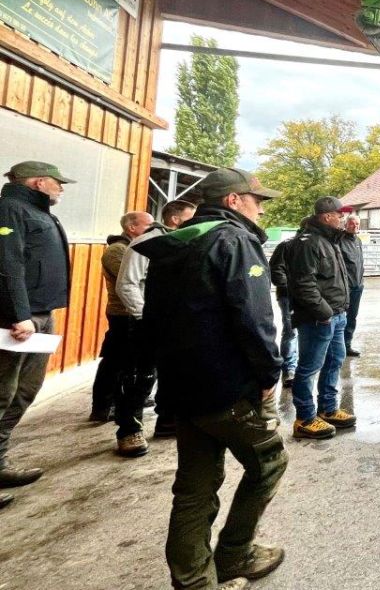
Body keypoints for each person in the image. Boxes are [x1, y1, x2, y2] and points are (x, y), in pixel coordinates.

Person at [134, 168, 286, 590]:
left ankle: (193, 580)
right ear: (233, 201)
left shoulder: (174, 244)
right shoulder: (233, 240)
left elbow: (154, 318)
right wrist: (268, 371)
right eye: (257, 200)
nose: (261, 208)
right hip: (227, 385)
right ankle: (236, 553)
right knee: (269, 462)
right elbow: (253, 317)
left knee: (194, 486)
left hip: (183, 386)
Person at [0, 161, 73, 511]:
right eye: (58, 184)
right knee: (3, 392)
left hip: (40, 315)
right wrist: (20, 314)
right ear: (40, 181)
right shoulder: (10, 208)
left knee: (26, 390)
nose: (61, 189)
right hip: (20, 321)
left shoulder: (35, 210)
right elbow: (8, 263)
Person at [112, 199, 196, 455]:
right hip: (149, 322)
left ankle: (167, 420)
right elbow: (126, 284)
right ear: (175, 219)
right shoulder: (146, 243)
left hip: (176, 322)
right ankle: (128, 430)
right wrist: (145, 316)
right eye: (190, 217)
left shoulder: (182, 242)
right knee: (142, 377)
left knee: (174, 373)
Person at [287, 196, 356, 439]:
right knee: (309, 368)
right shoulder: (308, 243)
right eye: (339, 214)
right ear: (327, 216)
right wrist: (324, 312)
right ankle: (305, 418)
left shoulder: (331, 240)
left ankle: (327, 409)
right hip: (319, 318)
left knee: (334, 361)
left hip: (337, 314)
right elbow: (304, 283)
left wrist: (340, 310)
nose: (343, 218)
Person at [91, 211, 153, 423]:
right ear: (131, 228)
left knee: (130, 361)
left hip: (132, 312)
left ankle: (120, 403)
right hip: (123, 314)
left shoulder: (132, 248)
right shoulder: (117, 250)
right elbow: (132, 279)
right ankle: (103, 406)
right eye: (148, 225)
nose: (153, 229)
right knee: (116, 361)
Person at [267, 237, 297, 386]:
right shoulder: (287, 245)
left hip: (310, 296)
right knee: (291, 331)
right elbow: (275, 269)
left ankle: (296, 368)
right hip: (288, 296)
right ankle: (289, 369)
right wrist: (289, 288)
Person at [339, 215, 366, 358]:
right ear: (346, 225)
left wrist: (361, 281)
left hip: (357, 286)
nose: (355, 226)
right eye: (352, 223)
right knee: (339, 318)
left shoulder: (358, 241)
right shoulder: (339, 241)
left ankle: (347, 345)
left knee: (352, 317)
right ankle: (337, 347)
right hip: (344, 287)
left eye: (357, 224)